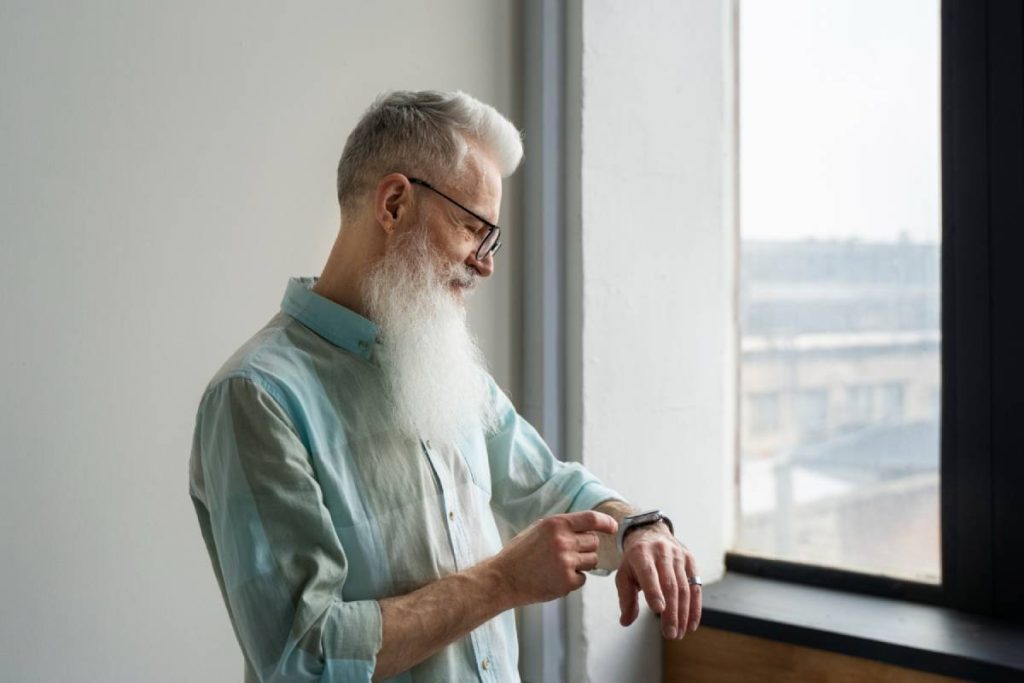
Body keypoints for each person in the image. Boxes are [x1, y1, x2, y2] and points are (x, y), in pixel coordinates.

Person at [188, 90, 701, 682]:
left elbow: (550, 485)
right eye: (472, 227)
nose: (485, 264)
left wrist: (641, 529)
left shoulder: (445, 371)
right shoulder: (257, 398)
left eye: (492, 240)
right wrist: (503, 581)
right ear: (395, 204)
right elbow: (303, 655)